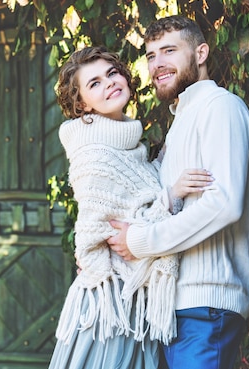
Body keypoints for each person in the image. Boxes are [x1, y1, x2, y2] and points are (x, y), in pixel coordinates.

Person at [107, 15, 249, 369]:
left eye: (169, 51)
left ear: (201, 52)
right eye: (150, 55)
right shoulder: (180, 123)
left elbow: (224, 204)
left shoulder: (221, 107)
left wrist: (141, 241)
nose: (157, 63)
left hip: (208, 305)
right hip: (172, 308)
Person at [48, 46, 213, 369]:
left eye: (112, 73)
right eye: (94, 83)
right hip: (110, 308)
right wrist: (171, 194)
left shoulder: (130, 146)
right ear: (82, 103)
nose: (108, 83)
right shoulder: (93, 155)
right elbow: (110, 236)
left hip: (133, 302)